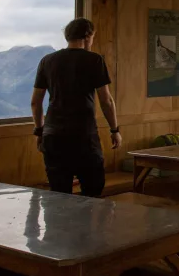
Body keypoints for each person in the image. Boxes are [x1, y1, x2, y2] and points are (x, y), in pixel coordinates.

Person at [31, 18, 122, 197]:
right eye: (93, 37)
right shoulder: (94, 60)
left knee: (58, 194)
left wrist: (39, 131)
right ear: (87, 36)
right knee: (93, 189)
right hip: (84, 136)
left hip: (53, 136)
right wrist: (114, 129)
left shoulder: (47, 61)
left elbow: (35, 102)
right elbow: (106, 101)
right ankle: (85, 225)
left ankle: (58, 226)